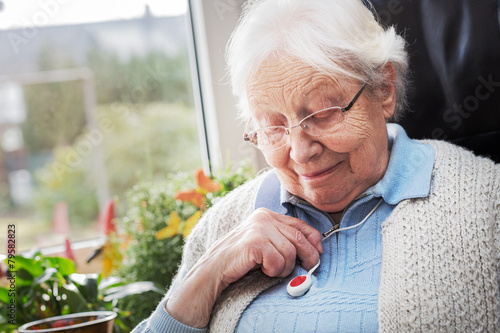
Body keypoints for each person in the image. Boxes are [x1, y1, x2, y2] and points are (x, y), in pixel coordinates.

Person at [133, 0, 500, 332]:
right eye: (273, 126)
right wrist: (203, 281)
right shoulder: (224, 224)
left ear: (384, 89)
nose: (300, 151)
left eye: (323, 114)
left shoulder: (486, 204)